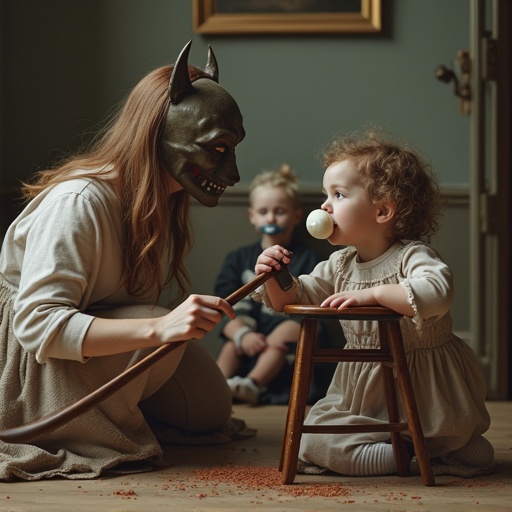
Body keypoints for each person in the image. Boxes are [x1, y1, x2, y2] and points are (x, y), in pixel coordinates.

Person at [0, 41, 246, 481]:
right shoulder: (79, 201)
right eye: (218, 149)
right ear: (158, 134)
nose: (233, 176)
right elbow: (36, 323)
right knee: (156, 319)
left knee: (210, 409)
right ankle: (91, 421)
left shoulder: (161, 201)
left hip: (90, 327)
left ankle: (114, 407)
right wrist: (159, 327)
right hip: (29, 359)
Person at [254, 129, 494, 477]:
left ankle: (432, 444)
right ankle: (402, 458)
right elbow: (297, 298)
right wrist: (277, 276)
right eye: (325, 195)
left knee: (476, 453)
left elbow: (437, 289)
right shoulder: (339, 265)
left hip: (425, 390)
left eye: (338, 194)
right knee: (312, 442)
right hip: (365, 396)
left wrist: (377, 294)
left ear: (382, 210)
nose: (324, 206)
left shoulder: (411, 256)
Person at [214, 165, 322, 405]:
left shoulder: (307, 258)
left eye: (279, 211)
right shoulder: (237, 259)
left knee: (282, 341)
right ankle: (214, 388)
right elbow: (223, 306)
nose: (271, 218)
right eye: (263, 211)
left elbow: (314, 305)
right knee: (232, 343)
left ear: (296, 216)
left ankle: (251, 384)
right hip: (246, 333)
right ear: (253, 216)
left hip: (286, 333)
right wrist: (242, 334)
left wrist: (280, 334)